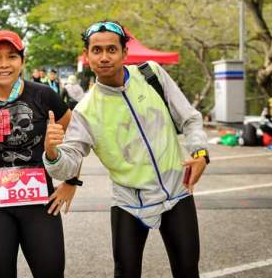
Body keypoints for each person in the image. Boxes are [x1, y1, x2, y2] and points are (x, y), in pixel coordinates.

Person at [44, 20, 208, 278]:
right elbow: (69, 162)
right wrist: (52, 153)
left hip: (177, 193)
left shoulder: (151, 74)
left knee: (187, 271)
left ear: (124, 53)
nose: (104, 57)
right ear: (87, 56)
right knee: (126, 272)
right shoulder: (85, 110)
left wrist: (200, 153)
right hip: (129, 203)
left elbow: (190, 118)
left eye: (112, 49)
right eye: (97, 50)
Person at [0, 29, 79, 278]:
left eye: (12, 56)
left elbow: (77, 138)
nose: (4, 64)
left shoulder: (44, 95)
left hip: (38, 198)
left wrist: (71, 181)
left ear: (22, 61)